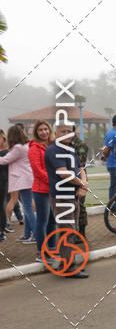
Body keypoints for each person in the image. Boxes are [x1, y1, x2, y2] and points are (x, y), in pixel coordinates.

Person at [44, 124, 89, 277]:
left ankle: (67, 263)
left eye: (69, 131)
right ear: (55, 133)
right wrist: (82, 183)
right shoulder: (53, 150)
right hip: (61, 197)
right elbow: (63, 174)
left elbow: (80, 168)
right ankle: (68, 267)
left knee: (72, 230)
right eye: (62, 131)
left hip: (72, 195)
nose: (66, 134)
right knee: (67, 231)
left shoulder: (70, 150)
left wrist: (83, 183)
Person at [0, 125, 37, 243]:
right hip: (26, 180)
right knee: (26, 208)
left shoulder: (18, 148)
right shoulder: (25, 146)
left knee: (27, 209)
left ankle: (36, 234)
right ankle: (27, 234)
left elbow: (5, 160)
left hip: (22, 181)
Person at [28, 119, 57, 262]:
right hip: (41, 191)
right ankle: (41, 253)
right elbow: (38, 171)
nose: (44, 132)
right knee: (42, 222)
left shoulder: (53, 145)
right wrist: (53, 181)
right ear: (36, 133)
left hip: (53, 189)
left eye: (46, 129)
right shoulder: (34, 148)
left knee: (53, 222)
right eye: (40, 130)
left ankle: (52, 249)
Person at [102, 114, 116, 200]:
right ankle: (112, 206)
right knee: (114, 185)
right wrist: (105, 157)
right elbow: (106, 148)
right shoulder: (111, 133)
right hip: (113, 164)